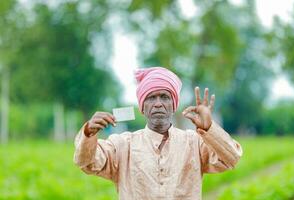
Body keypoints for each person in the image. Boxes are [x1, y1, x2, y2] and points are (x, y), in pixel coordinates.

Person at [74, 67, 242, 200]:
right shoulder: (123, 145)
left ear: (173, 105)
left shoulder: (194, 142)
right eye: (151, 98)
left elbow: (231, 158)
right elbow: (88, 163)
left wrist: (209, 129)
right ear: (142, 107)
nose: (158, 104)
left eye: (164, 97)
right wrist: (89, 132)